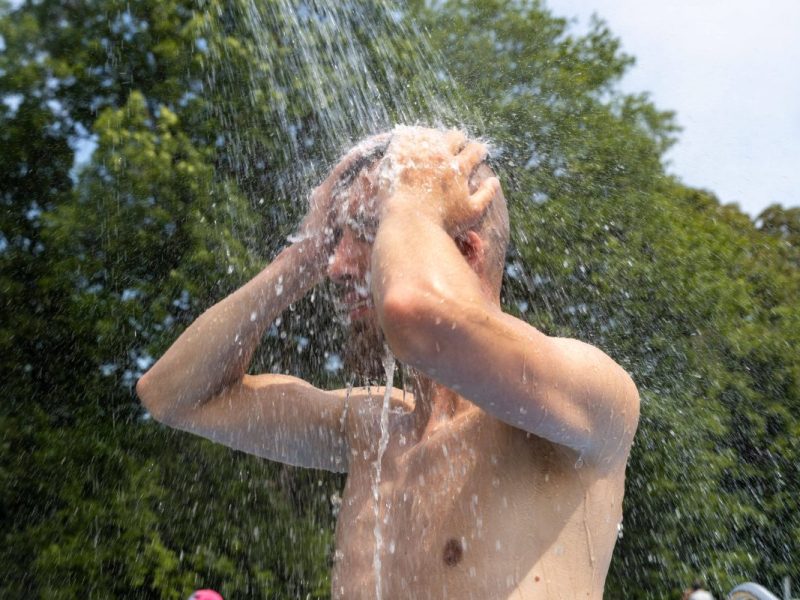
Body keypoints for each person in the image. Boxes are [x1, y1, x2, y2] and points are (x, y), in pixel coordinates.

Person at [137, 126, 640, 599]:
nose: (338, 265)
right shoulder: (372, 430)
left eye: (368, 233)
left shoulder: (583, 396)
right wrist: (304, 255)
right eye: (340, 237)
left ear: (463, 251)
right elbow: (174, 395)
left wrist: (416, 209)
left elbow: (416, 314)